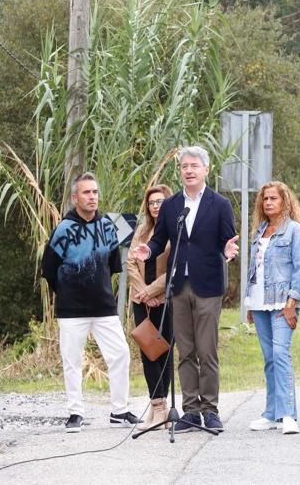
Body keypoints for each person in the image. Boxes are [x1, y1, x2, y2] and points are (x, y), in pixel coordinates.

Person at [132, 146, 239, 433]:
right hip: (178, 285)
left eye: (194, 166)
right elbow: (160, 239)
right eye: (184, 166)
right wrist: (148, 250)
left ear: (206, 169)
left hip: (208, 286)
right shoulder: (171, 205)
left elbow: (228, 240)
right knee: (186, 351)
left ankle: (211, 410)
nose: (188, 171)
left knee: (207, 351)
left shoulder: (220, 204)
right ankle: (190, 411)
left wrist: (228, 248)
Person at [42, 173, 141, 433]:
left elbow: (111, 266)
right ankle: (75, 412)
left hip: (104, 306)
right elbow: (49, 269)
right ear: (75, 197)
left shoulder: (108, 226)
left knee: (120, 354)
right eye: (86, 193)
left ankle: (119, 410)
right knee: (72, 359)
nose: (92, 197)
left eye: (95, 192)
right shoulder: (63, 229)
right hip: (72, 309)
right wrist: (66, 293)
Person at [245, 181, 300, 436]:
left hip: (284, 302)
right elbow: (255, 271)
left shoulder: (295, 231)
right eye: (265, 199)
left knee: (281, 354)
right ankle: (271, 413)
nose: (268, 202)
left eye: (274, 198)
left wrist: (292, 303)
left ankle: (288, 415)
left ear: (285, 201)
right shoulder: (259, 231)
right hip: (260, 301)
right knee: (269, 358)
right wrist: (250, 303)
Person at [127, 183, 174, 432]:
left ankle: (163, 407)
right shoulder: (143, 230)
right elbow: (131, 262)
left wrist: (153, 290)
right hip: (142, 301)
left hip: (166, 300)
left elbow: (175, 267)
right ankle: (156, 406)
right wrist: (143, 292)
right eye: (152, 202)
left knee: (163, 351)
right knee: (148, 352)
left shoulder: (174, 230)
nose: (156, 206)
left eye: (160, 202)